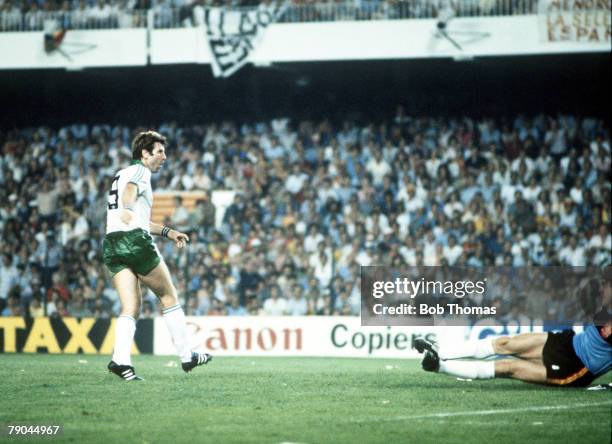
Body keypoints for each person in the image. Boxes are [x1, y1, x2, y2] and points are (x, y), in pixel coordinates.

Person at [103, 130, 212, 381]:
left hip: (112, 243)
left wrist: (169, 232)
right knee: (168, 295)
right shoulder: (140, 171)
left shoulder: (121, 173)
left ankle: (120, 360)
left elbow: (140, 217)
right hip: (134, 241)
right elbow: (129, 196)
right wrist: (128, 209)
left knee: (131, 306)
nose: (164, 156)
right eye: (160, 151)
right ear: (144, 153)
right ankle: (187, 356)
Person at [415, 273, 611, 388]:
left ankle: (438, 366)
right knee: (505, 343)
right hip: (568, 342)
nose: (603, 289)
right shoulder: (604, 308)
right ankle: (439, 350)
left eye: (606, 286)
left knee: (509, 367)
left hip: (577, 367)